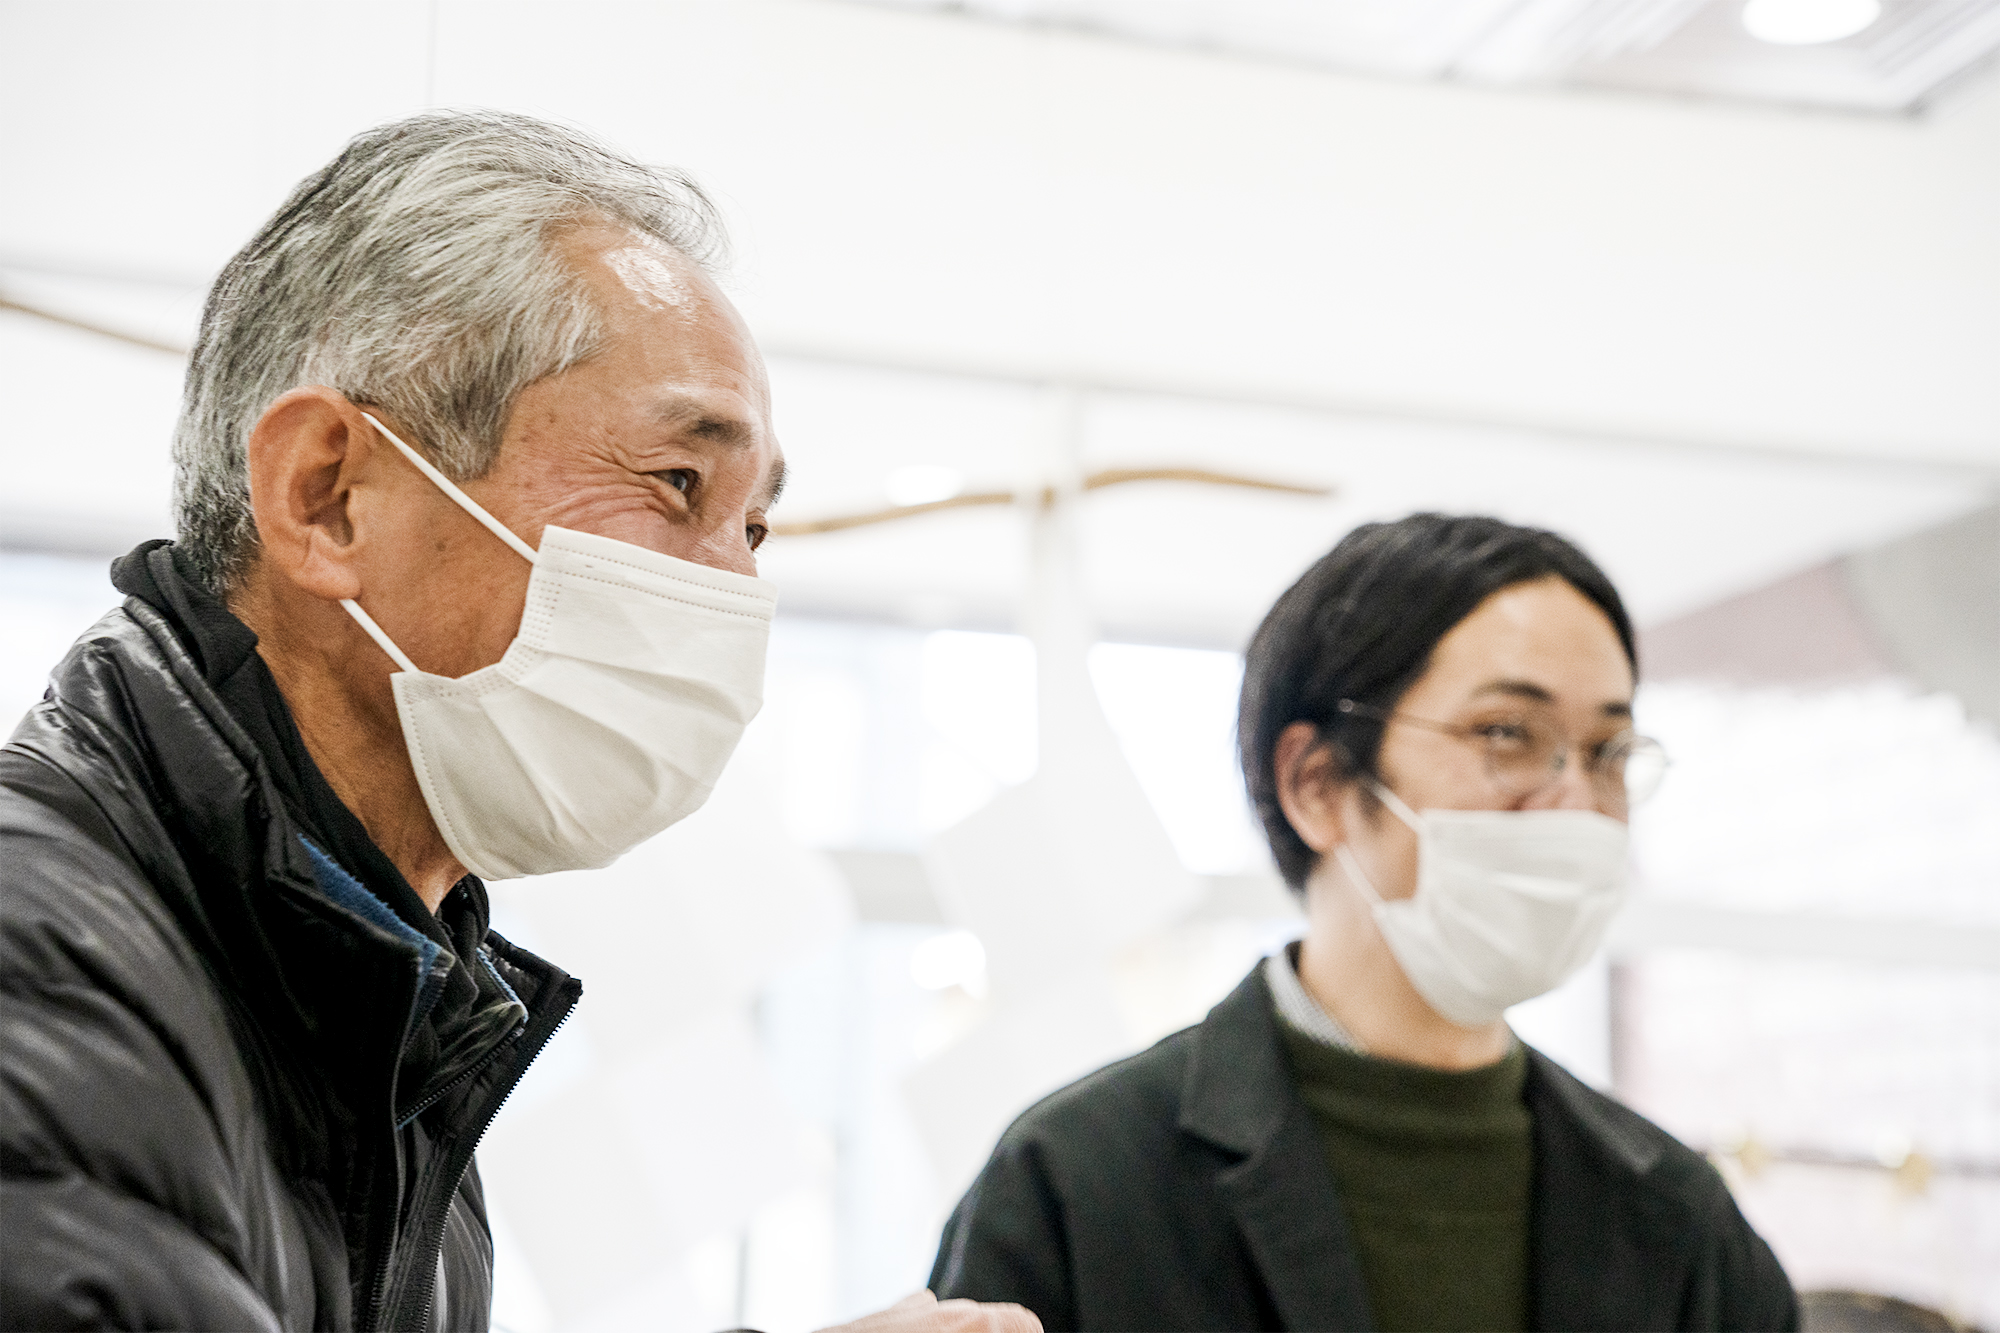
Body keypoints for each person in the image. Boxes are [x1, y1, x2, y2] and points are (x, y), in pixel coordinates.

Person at [0, 111, 1035, 1333]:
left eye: (751, 528)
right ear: (327, 497)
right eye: (677, 484)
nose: (733, 590)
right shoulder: (42, 956)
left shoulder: (391, 998)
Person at [930, 514, 1798, 1332]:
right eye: (1507, 732)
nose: (1576, 802)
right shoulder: (1079, 1184)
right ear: (1315, 783)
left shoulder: (1680, 1217)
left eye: (1609, 752)